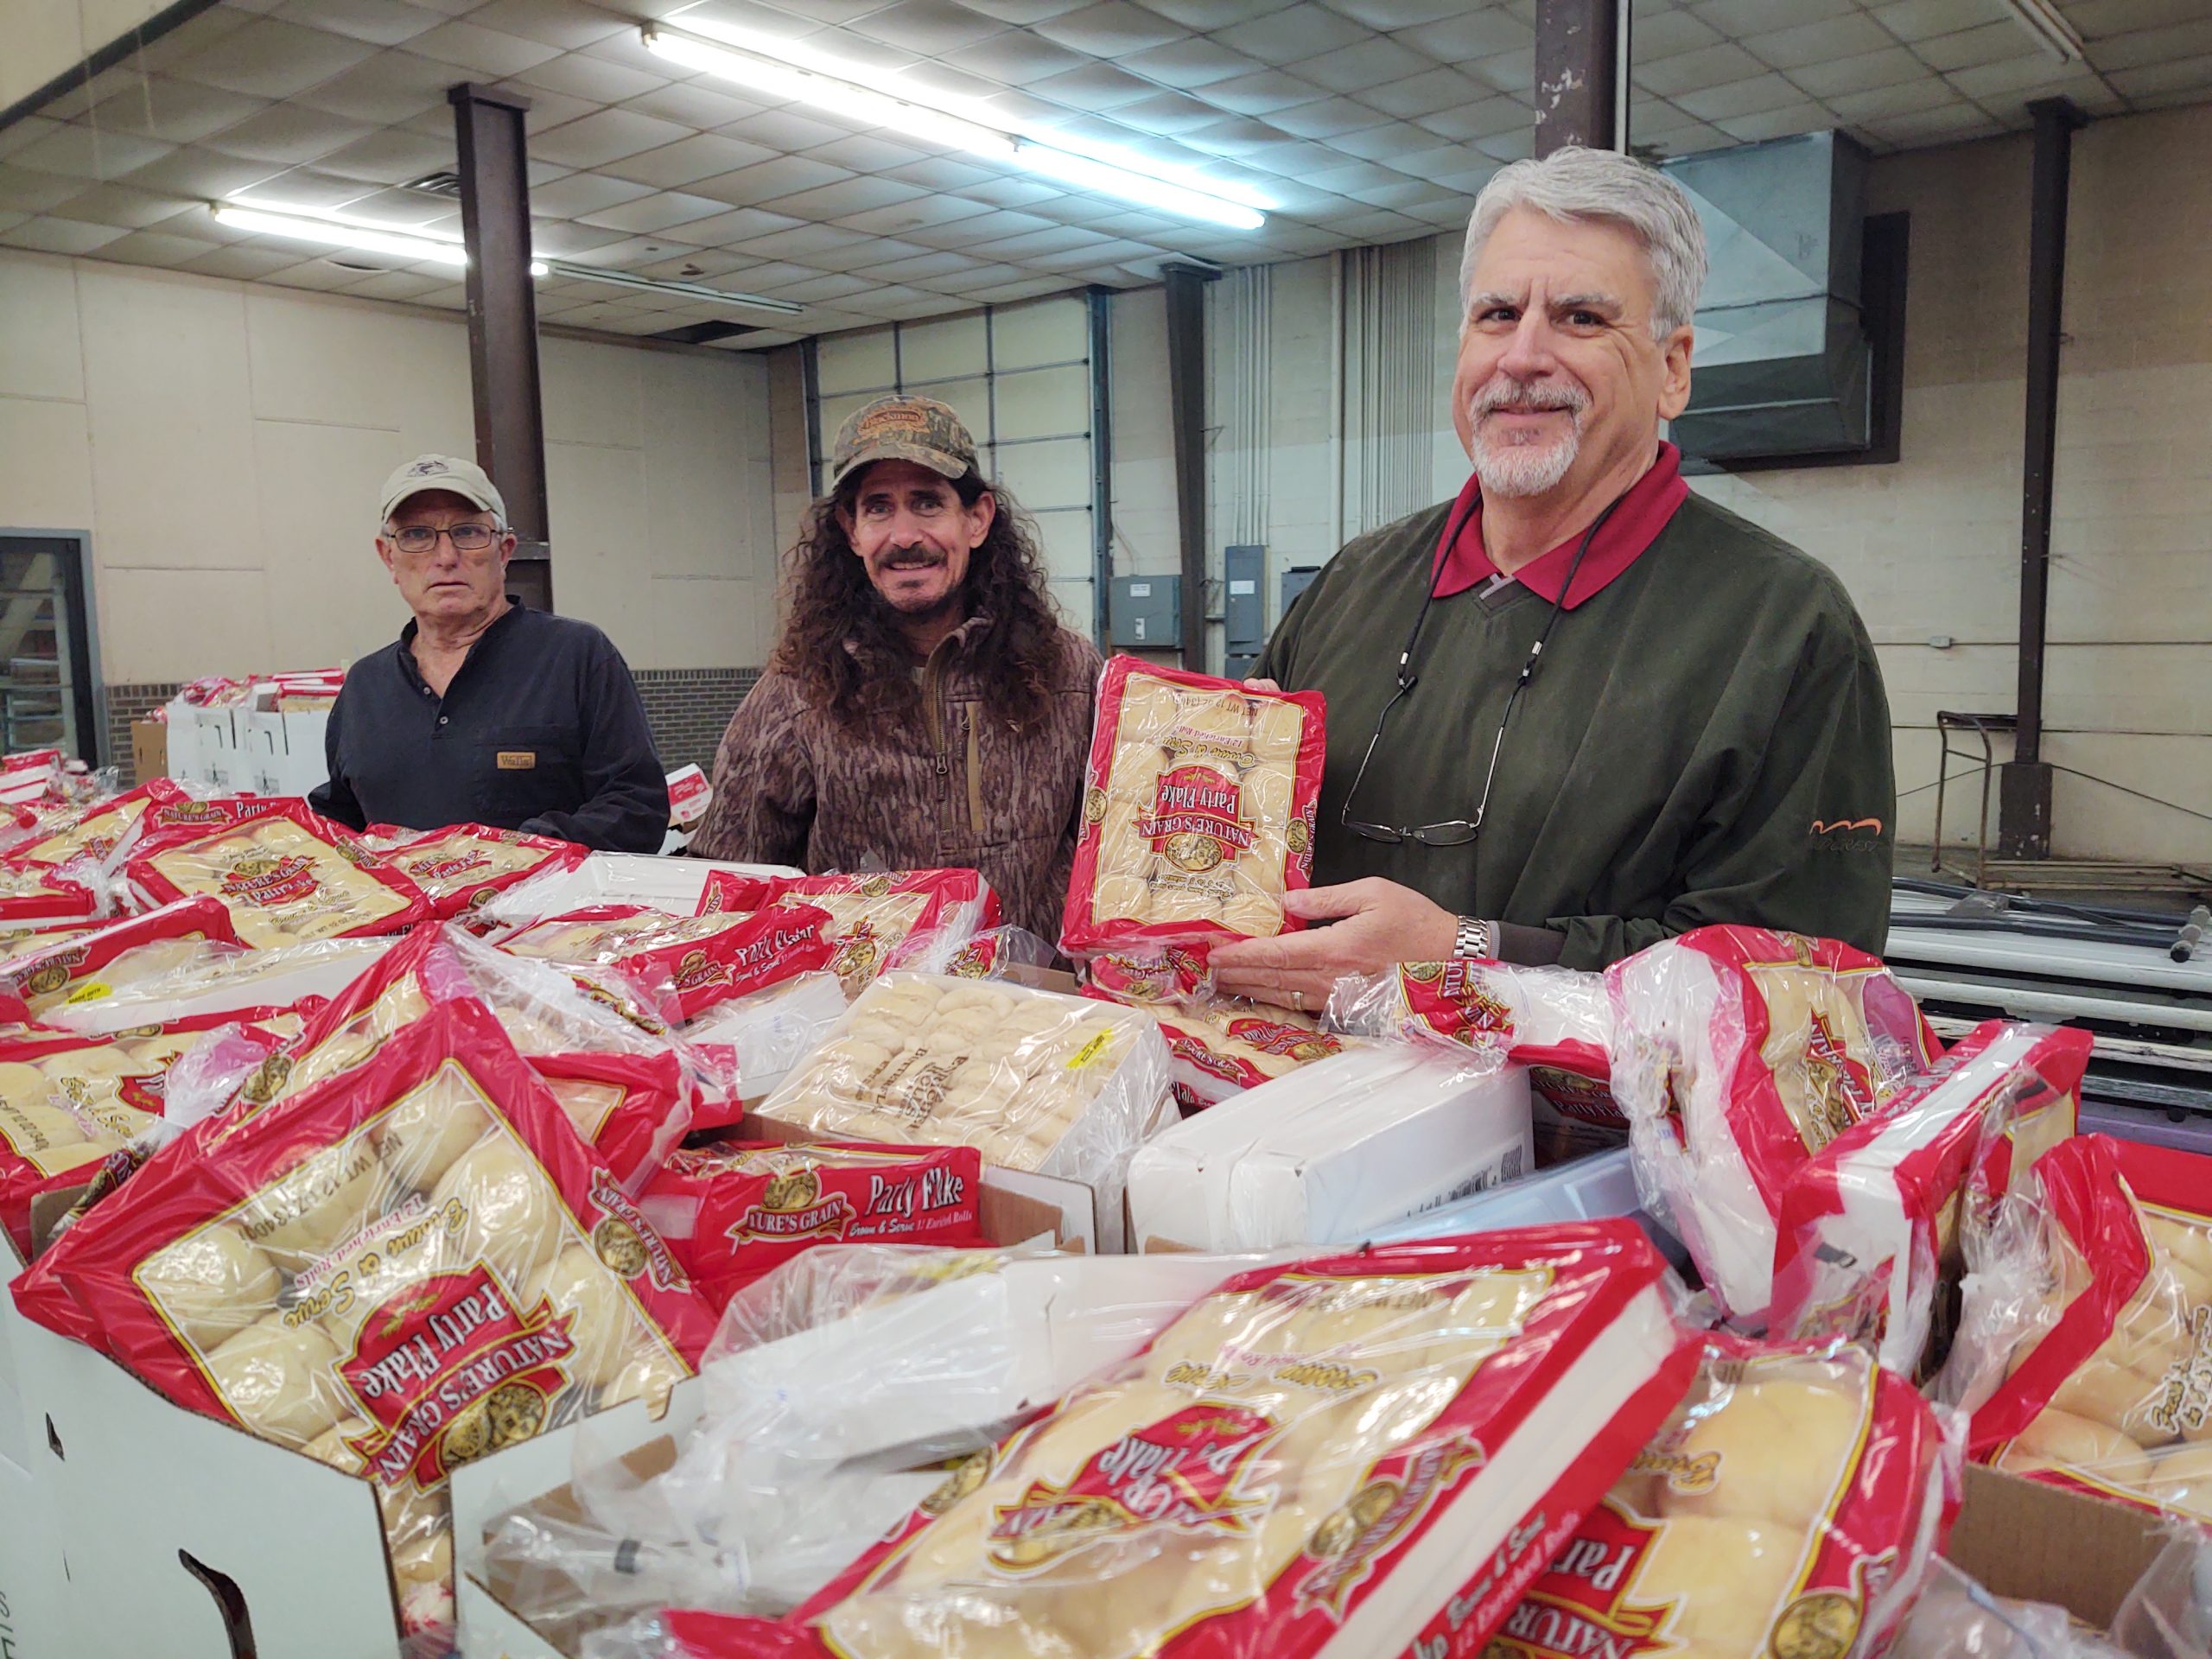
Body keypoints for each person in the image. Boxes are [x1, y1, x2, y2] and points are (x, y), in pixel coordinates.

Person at [1211, 146, 1894, 1009]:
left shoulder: (1782, 628)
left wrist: (1464, 958)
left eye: (1579, 318)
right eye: (1496, 314)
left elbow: (1802, 981)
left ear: (1672, 368)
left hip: (1590, 1141)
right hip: (1299, 1107)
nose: (1523, 357)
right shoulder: (1354, 583)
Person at [690, 395, 1101, 943]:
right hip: (866, 1010)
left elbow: (1133, 844)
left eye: (928, 503)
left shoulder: (1068, 672)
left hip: (1041, 1005)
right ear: (851, 529)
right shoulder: (799, 688)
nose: (904, 536)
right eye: (878, 507)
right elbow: (729, 875)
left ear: (976, 520)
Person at [310, 454, 669, 853]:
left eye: (467, 532)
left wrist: (516, 855)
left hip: (545, 913)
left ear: (504, 551)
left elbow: (638, 809)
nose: (445, 557)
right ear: (388, 557)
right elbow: (339, 820)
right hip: (408, 914)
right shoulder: (365, 685)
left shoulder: (576, 657)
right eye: (416, 535)